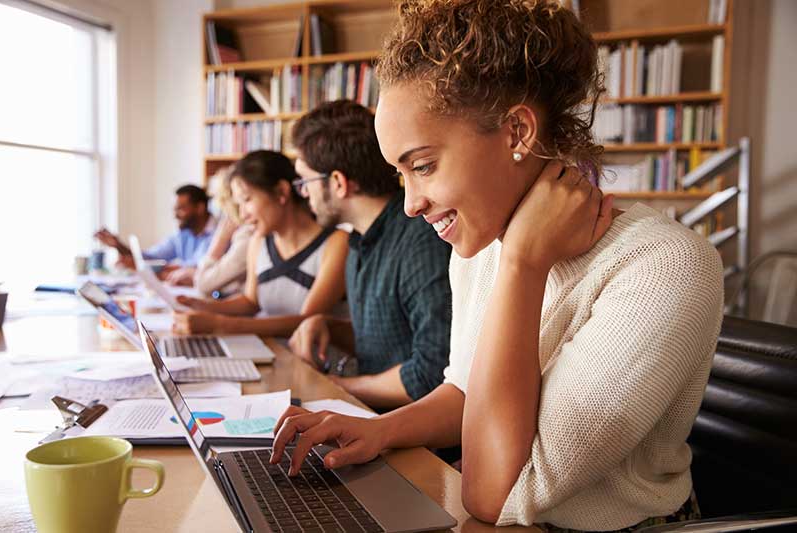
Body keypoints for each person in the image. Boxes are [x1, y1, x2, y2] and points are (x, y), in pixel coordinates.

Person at [269, 1, 724, 531]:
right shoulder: (481, 244)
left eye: (423, 166)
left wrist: (522, 265)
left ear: (517, 132)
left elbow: (495, 492)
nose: (411, 203)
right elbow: (466, 392)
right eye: (402, 175)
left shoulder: (664, 267)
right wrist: (380, 430)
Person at [287, 100, 453, 409]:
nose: (304, 193)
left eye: (305, 181)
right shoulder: (359, 239)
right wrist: (329, 327)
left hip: (416, 442)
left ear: (338, 182)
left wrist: (337, 387)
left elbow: (433, 373)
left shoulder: (422, 240)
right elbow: (392, 337)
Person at [173, 150, 348, 339]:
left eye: (247, 200)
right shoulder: (259, 241)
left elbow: (304, 322)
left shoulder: (336, 243)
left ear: (281, 192)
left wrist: (220, 324)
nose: (242, 214)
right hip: (272, 354)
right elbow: (250, 302)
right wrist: (202, 307)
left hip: (312, 364)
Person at [95, 184, 215, 284]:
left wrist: (143, 266)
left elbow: (198, 268)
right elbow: (151, 257)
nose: (175, 215)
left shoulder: (217, 233)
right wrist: (119, 246)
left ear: (200, 208)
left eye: (181, 209)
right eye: (175, 209)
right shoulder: (183, 234)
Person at [194, 167, 254, 297]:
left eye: (217, 199)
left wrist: (220, 239)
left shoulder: (247, 234)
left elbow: (203, 284)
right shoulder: (242, 233)